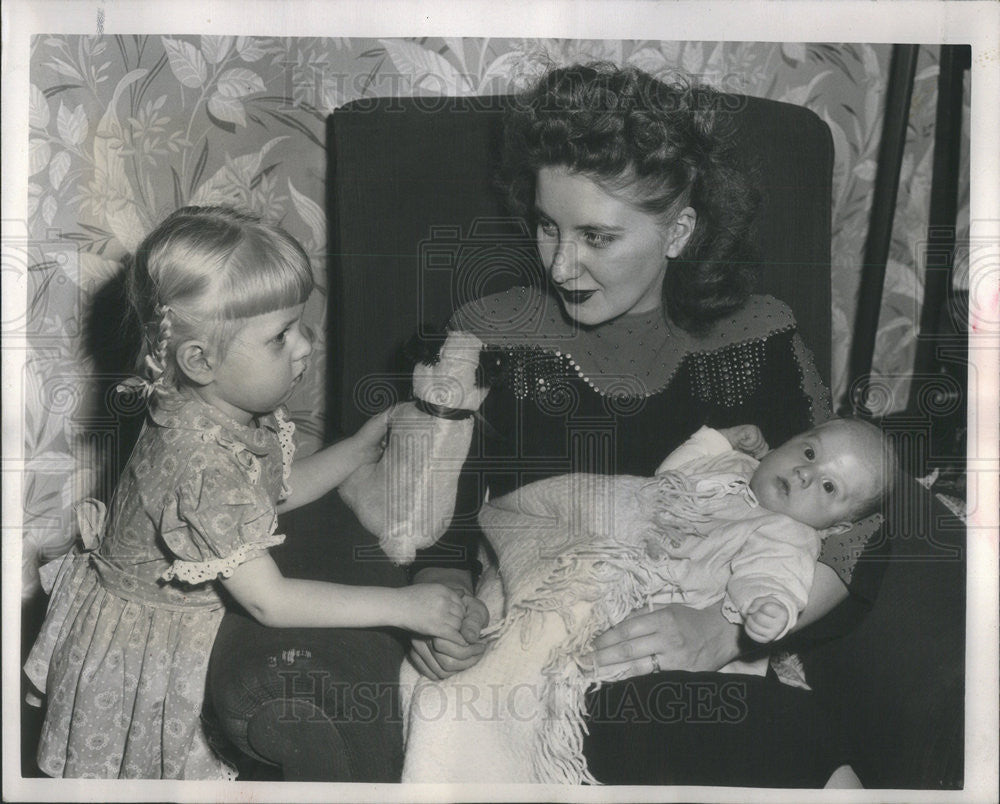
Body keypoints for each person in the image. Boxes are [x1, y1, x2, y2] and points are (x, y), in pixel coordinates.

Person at [406, 63, 884, 788]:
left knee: (778, 733)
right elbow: (438, 527)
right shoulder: (490, 336)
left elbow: (861, 523)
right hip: (556, 660)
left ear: (679, 231)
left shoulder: (757, 339)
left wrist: (722, 634)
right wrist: (438, 608)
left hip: (714, 649)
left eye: (597, 237)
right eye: (546, 227)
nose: (562, 264)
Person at [23, 206, 470, 779]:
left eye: (299, 324)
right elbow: (270, 601)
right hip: (148, 648)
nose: (305, 345)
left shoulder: (212, 412)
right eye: (279, 336)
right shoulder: (198, 458)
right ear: (201, 361)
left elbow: (267, 498)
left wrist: (354, 450)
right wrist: (403, 606)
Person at [400, 418, 895, 783]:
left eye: (829, 486)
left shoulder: (786, 532)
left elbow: (774, 575)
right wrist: (718, 441)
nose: (808, 474)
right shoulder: (730, 472)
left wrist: (762, 610)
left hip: (665, 645)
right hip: (602, 578)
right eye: (808, 453)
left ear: (839, 525)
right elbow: (668, 480)